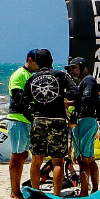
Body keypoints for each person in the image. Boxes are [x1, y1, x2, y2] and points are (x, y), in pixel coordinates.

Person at [17, 51, 76, 191]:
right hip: (57, 120)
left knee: (36, 161)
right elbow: (76, 92)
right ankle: (57, 194)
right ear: (52, 60)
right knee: (58, 161)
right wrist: (63, 97)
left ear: (37, 62)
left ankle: (36, 192)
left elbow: (22, 103)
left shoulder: (32, 79)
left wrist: (32, 118)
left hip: (38, 120)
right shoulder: (61, 75)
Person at [2, 50, 38, 196]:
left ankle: (17, 188)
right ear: (29, 60)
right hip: (18, 119)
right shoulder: (19, 75)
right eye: (37, 63)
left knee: (24, 155)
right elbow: (18, 99)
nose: (38, 66)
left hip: (28, 121)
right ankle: (15, 191)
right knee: (17, 156)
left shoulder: (31, 75)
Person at [66, 55, 100, 196]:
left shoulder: (88, 80)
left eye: (74, 68)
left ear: (82, 66)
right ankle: (93, 189)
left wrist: (69, 103)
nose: (71, 71)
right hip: (89, 120)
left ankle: (84, 192)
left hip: (85, 121)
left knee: (83, 159)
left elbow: (86, 99)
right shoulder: (88, 81)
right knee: (89, 159)